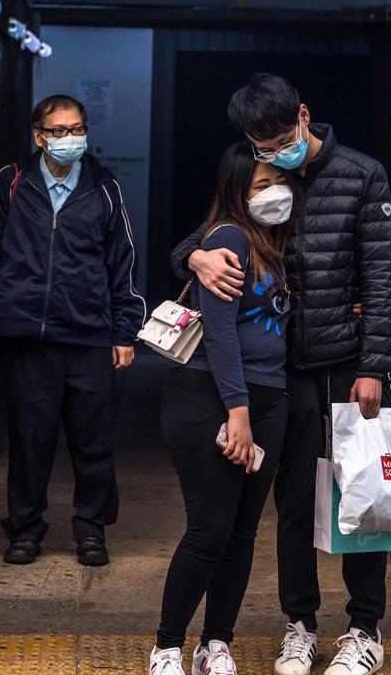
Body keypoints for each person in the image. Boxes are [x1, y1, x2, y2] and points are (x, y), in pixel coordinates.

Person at [171, 73, 391, 675]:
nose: (273, 155)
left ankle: (364, 629)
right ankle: (300, 625)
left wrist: (374, 363)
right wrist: (191, 255)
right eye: (261, 147)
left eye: (280, 140)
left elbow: (383, 275)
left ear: (303, 115)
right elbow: (208, 236)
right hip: (284, 372)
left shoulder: (361, 175)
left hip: (349, 365)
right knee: (294, 503)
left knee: (362, 501)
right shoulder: (260, 177)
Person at [0, 94, 146, 568]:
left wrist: (125, 331)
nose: (70, 139)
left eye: (77, 129)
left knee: (93, 440)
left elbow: (121, 262)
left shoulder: (103, 187)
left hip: (89, 335)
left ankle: (91, 530)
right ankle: (25, 530)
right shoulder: (11, 183)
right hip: (26, 337)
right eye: (60, 131)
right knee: (29, 440)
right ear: (38, 136)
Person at [149, 144, 293, 675]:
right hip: (213, 396)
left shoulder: (278, 243)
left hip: (269, 398)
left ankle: (217, 644)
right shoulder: (228, 239)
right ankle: (167, 648)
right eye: (261, 185)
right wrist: (237, 411)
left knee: (241, 532)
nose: (275, 192)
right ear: (237, 191)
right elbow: (220, 333)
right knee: (209, 528)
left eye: (280, 180)